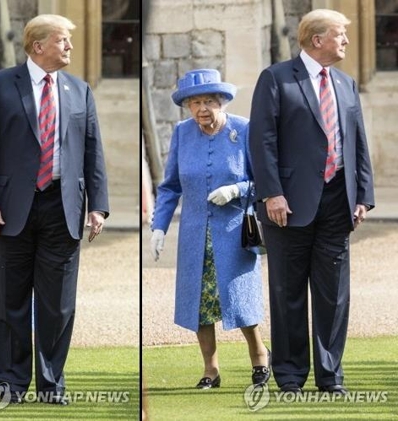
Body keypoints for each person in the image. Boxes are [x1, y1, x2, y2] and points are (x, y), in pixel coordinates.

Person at [0, 14, 109, 405]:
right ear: (38, 46)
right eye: (62, 40)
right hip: (10, 209)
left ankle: (51, 386)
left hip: (62, 208)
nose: (68, 47)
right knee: (9, 302)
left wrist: (98, 206)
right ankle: (11, 385)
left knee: (58, 305)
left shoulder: (80, 90)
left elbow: (93, 152)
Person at [249, 9, 375, 395]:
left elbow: (357, 142)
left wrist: (363, 197)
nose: (347, 42)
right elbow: (262, 140)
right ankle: (289, 376)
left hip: (338, 202)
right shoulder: (276, 78)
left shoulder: (346, 83)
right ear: (316, 39)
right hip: (286, 205)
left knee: (333, 295)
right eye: (340, 35)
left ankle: (330, 376)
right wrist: (271, 192)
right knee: (287, 294)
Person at [150, 69, 270, 389]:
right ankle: (210, 370)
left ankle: (259, 356)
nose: (202, 109)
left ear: (222, 103)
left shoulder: (243, 129)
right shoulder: (181, 133)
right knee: (199, 303)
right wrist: (158, 227)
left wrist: (236, 190)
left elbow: (265, 181)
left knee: (238, 297)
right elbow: (170, 186)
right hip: (193, 233)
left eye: (208, 101)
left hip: (234, 231)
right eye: (194, 103)